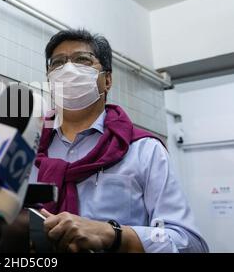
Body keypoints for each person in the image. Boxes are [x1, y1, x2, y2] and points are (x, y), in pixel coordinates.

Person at [29, 28, 209, 253]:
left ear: (107, 80)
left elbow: (189, 242)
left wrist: (113, 235)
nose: (68, 69)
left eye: (82, 60)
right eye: (58, 63)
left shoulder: (144, 149)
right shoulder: (28, 147)